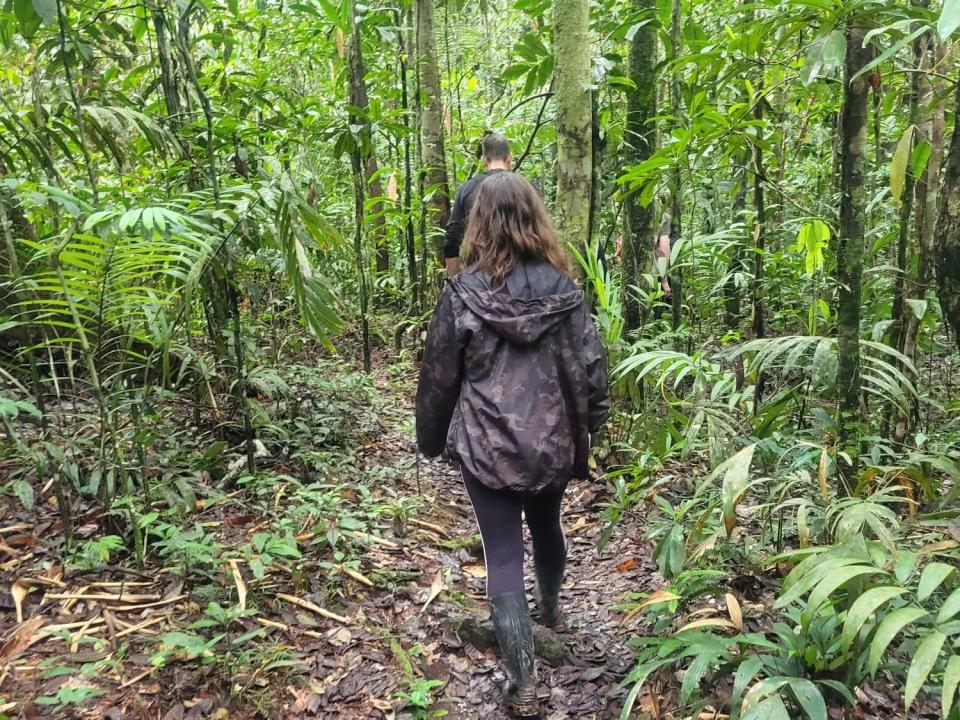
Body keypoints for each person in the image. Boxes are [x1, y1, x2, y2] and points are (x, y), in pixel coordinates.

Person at [415, 172, 609, 717]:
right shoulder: (565, 292)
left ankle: (521, 676)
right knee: (547, 524)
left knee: (502, 553)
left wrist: (430, 439)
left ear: (479, 224)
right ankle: (551, 610)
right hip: (552, 440)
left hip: (487, 444)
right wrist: (593, 423)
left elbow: (437, 376)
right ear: (534, 220)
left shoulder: (462, 293)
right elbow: (593, 367)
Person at [443, 132, 513, 276]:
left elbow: (451, 239)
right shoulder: (527, 188)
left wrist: (455, 283)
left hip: (479, 276)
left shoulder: (467, 189)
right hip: (520, 275)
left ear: (484, 160)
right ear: (509, 158)